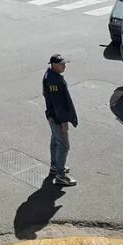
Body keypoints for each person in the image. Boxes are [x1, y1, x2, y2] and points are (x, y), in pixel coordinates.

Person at [43, 54, 78, 186]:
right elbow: (58, 103)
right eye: (62, 64)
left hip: (52, 116)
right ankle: (60, 175)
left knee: (55, 141)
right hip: (57, 118)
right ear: (54, 65)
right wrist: (63, 121)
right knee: (63, 145)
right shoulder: (54, 80)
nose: (64, 66)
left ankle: (55, 166)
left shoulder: (51, 76)